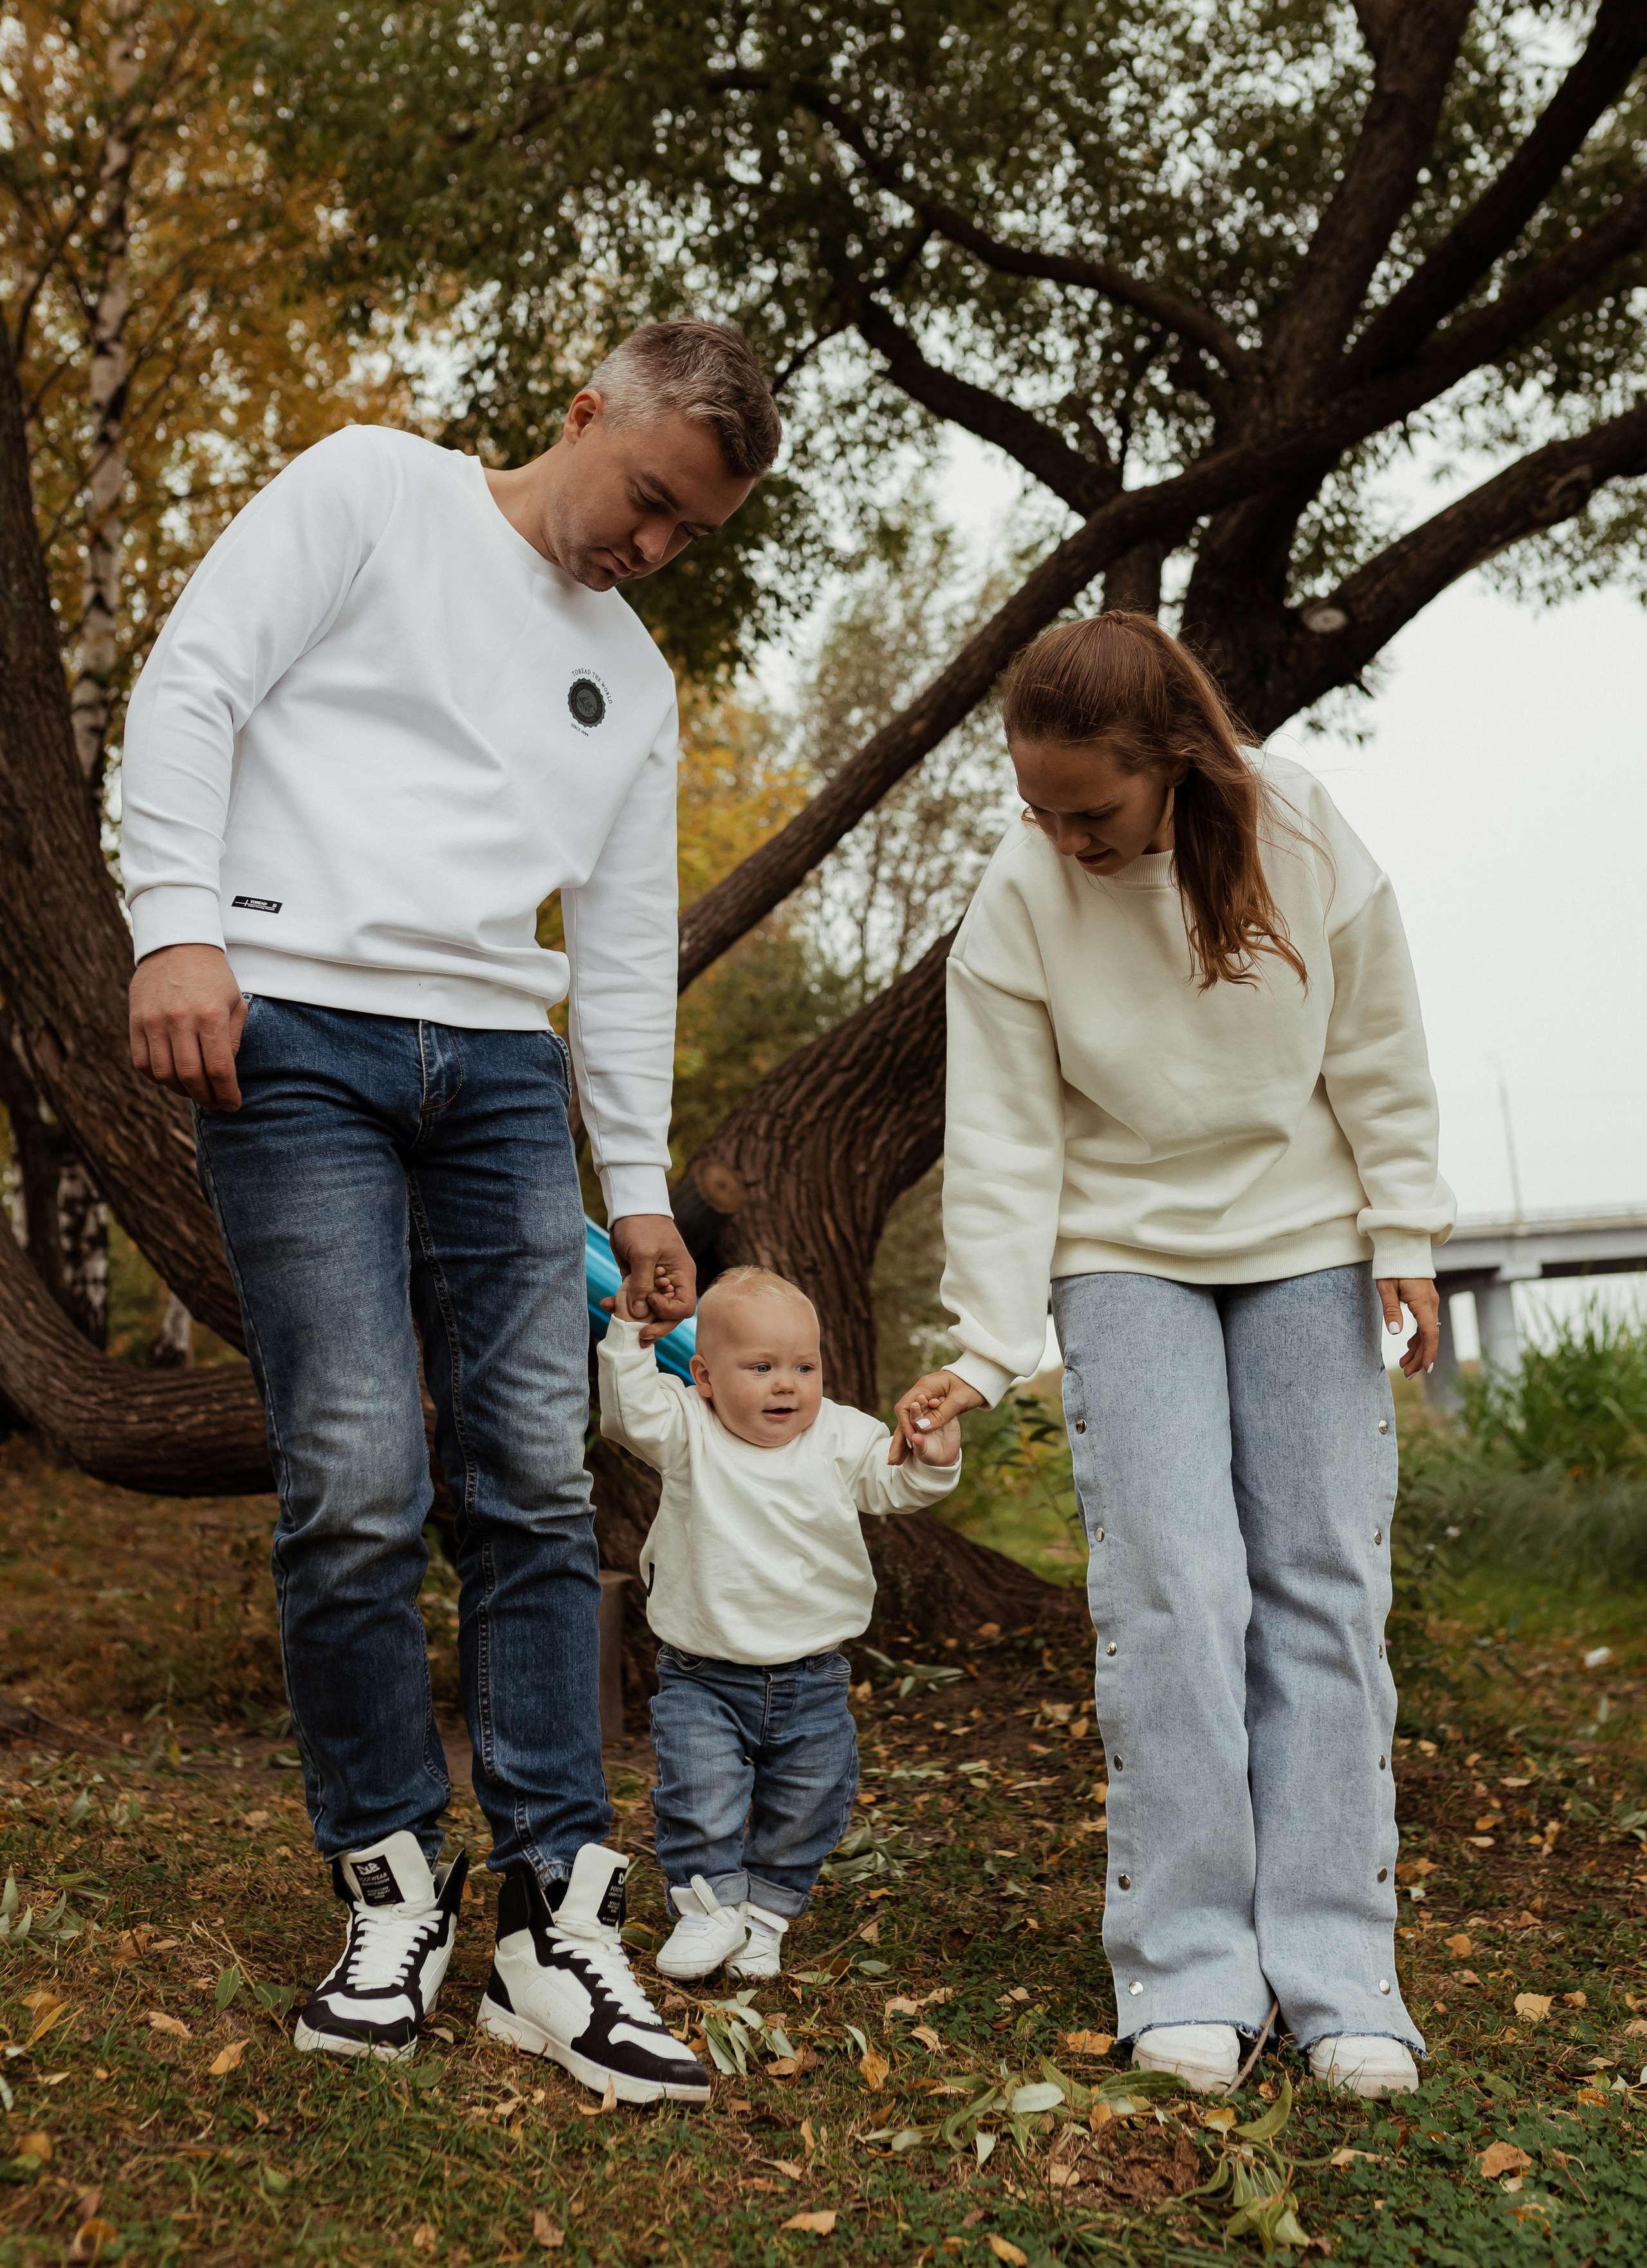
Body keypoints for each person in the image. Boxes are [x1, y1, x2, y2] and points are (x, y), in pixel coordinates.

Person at [121, 322, 780, 2100]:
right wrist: (177, 924)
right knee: (352, 1475)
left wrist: (636, 1186)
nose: (647, 548)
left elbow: (626, 941)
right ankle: (387, 1888)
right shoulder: (369, 490)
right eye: (645, 499)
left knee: (540, 1487)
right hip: (296, 1033)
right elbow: (190, 688)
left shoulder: (633, 682)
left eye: (684, 536)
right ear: (586, 414)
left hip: (499, 1071)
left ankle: (554, 1927)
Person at [896, 611, 1453, 2100]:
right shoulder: (1018, 893)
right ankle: (1190, 1960)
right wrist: (988, 1340)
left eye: (1089, 807)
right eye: (1036, 806)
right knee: (1172, 1589)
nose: (1060, 835)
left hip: (1304, 1239)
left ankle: (1340, 1970)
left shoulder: (1300, 832)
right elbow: (1005, 1135)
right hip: (1120, 1251)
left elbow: (1378, 1042)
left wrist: (1402, 1223)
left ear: (1175, 766)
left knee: (1322, 1586)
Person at [596, 1265, 962, 1981]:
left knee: (809, 1801)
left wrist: (935, 1462)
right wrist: (628, 1338)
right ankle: (708, 1909)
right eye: (760, 1368)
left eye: (803, 1365)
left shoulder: (840, 1435)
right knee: (698, 1797)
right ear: (703, 1376)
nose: (787, 1384)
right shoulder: (686, 1430)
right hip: (702, 1671)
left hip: (812, 1674)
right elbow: (626, 1412)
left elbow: (894, 1486)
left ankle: (763, 1916)